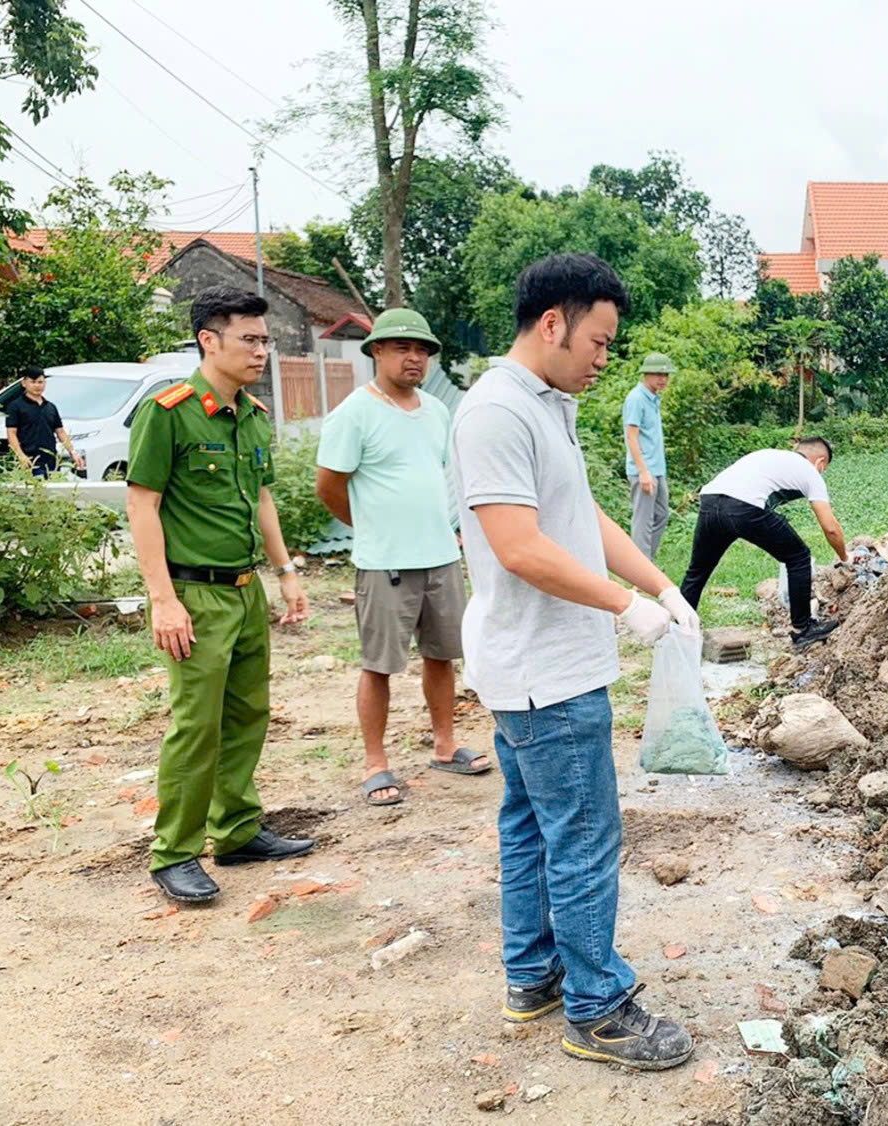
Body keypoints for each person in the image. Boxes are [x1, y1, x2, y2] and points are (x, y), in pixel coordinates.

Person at [451, 252, 700, 1071]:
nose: (604, 358)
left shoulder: (546, 404)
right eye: (597, 340)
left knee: (531, 826)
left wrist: (661, 583)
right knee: (586, 836)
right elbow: (520, 547)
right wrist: (623, 608)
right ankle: (597, 1007)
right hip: (544, 670)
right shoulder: (495, 412)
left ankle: (535, 977)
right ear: (552, 323)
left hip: (539, 665)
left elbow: (580, 515)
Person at [125, 286, 313, 904]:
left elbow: (261, 499)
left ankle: (235, 830)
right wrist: (162, 599)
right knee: (195, 725)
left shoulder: (253, 417)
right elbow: (142, 505)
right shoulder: (169, 410)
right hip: (193, 595)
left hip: (244, 589)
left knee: (246, 715)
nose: (263, 350)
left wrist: (284, 570)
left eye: (266, 339)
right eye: (251, 339)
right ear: (210, 340)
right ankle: (175, 852)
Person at [315, 308, 490, 807]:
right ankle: (376, 764)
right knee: (380, 665)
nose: (414, 359)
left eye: (421, 351)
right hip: (384, 563)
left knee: (442, 655)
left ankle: (444, 744)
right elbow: (328, 487)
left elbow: (436, 476)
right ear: (376, 352)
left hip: (439, 556)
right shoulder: (354, 413)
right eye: (401, 349)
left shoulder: (436, 411)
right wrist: (371, 526)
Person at [679, 439, 847, 649]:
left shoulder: (769, 455)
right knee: (798, 557)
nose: (821, 473)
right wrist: (844, 558)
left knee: (698, 570)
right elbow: (830, 528)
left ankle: (679, 631)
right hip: (744, 507)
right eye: (824, 469)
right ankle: (803, 629)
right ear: (820, 462)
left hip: (710, 501)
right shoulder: (810, 472)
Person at [622, 352, 671, 559]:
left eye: (666, 375)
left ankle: (644, 564)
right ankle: (641, 571)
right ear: (645, 375)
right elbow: (631, 438)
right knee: (643, 521)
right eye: (657, 375)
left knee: (661, 515)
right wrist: (643, 472)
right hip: (644, 470)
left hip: (657, 469)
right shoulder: (636, 398)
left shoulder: (653, 398)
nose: (662, 379)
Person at [5, 367, 85, 478]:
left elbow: (60, 432)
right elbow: (11, 433)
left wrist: (73, 452)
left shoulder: (50, 407)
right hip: (29, 461)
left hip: (51, 460)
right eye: (33, 382)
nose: (37, 386)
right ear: (24, 383)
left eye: (40, 382)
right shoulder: (15, 406)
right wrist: (20, 455)